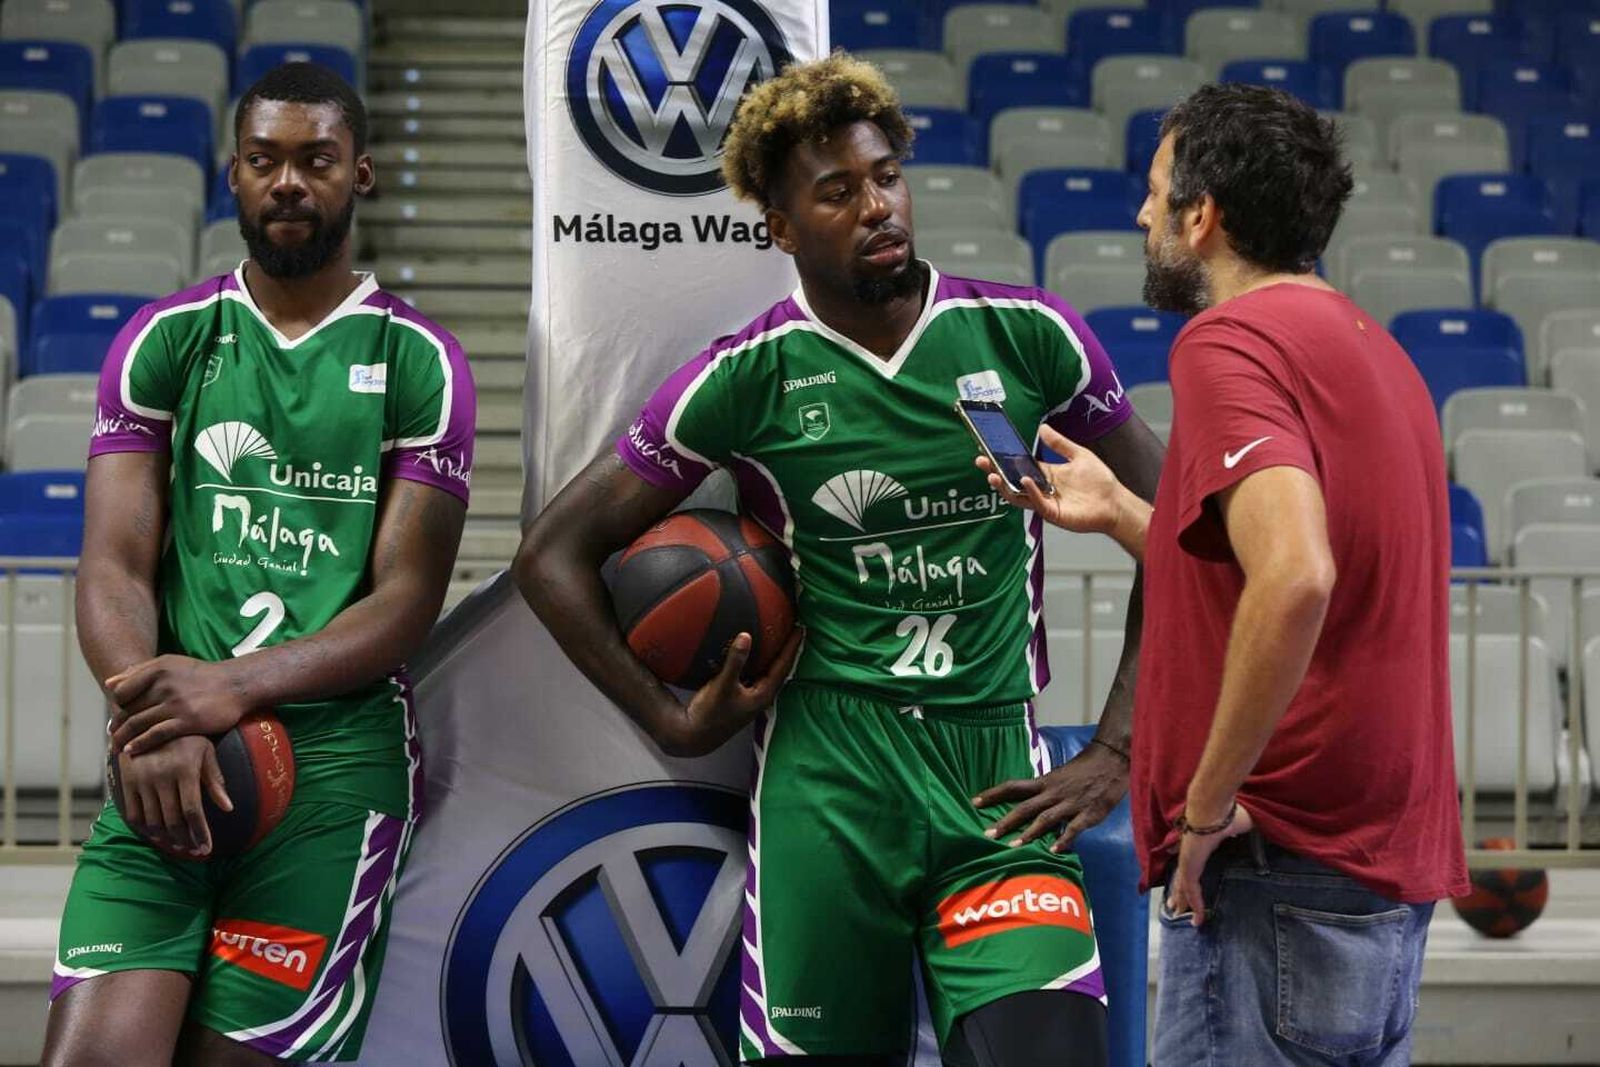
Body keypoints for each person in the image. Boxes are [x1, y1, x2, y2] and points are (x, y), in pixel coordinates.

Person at [514, 53, 1165, 1065]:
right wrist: (668, 715)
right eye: (837, 191)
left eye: (884, 176)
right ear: (779, 228)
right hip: (830, 781)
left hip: (994, 773)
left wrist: (1117, 748)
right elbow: (551, 554)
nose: (876, 205)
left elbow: (1176, 534)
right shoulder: (745, 378)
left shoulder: (1026, 337)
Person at [980, 83, 1469, 1066]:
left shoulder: (1227, 341)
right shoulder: (1372, 346)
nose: (1141, 215)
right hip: (1373, 869)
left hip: (1274, 867)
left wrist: (1203, 804)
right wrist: (1123, 513)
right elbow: (1278, 565)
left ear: (1201, 217)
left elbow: (1293, 577)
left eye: (1155, 192)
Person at [43, 63, 476, 1066]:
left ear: (359, 173)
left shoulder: (419, 360)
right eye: (265, 159)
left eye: (315, 159)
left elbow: (407, 598)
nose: (289, 181)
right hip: (162, 754)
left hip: (329, 773)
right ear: (231, 174)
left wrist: (220, 691)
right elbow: (112, 561)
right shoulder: (168, 337)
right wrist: (144, 715)